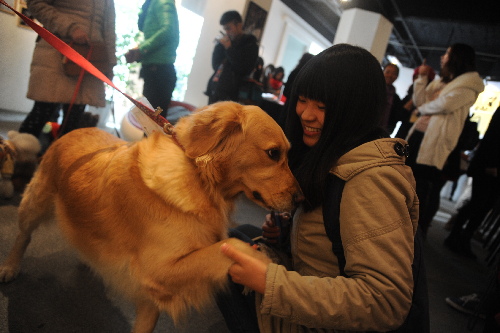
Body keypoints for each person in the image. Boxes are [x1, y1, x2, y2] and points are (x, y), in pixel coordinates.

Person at [217, 44, 425, 332]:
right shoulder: (336, 153)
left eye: (322, 107)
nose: (306, 114)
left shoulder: (372, 181)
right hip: (311, 290)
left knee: (221, 257)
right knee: (240, 237)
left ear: (354, 111)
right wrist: (287, 234)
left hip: (320, 323)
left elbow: (385, 301)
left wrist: (269, 280)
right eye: (302, 100)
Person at [405, 43, 485, 235]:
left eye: (447, 54)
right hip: (419, 135)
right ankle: (399, 223)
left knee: (422, 186)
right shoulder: (443, 81)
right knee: (407, 179)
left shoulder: (468, 86)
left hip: (435, 141)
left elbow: (445, 104)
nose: (443, 57)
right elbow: (421, 101)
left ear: (457, 57)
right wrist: (422, 77)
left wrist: (422, 109)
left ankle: (416, 231)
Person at [19, 0, 116, 138]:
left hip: (90, 58)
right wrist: (71, 28)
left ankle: (60, 158)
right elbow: (36, 3)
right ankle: (16, 157)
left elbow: (109, 29)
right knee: (41, 114)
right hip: (57, 52)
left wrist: (110, 64)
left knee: (73, 125)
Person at [444, 106, 500, 258]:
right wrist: (490, 165)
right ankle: (456, 235)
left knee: (483, 205)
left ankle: (464, 237)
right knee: (477, 202)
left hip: (490, 166)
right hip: (488, 166)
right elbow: (492, 139)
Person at [125, 0, 179, 118]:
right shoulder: (155, 3)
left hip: (159, 71)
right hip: (156, 70)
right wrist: (141, 50)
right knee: (151, 120)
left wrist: (142, 49)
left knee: (153, 122)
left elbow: (168, 30)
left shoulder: (162, 1)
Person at [205, 10, 259, 104]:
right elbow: (215, 65)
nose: (227, 32)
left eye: (229, 28)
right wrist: (219, 46)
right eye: (224, 29)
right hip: (215, 88)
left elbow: (244, 69)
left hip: (233, 93)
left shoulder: (250, 44)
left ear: (239, 25)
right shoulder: (225, 42)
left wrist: (229, 48)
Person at [380, 63, 406, 135]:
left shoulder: (396, 99)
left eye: (393, 74)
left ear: (396, 77)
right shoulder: (373, 89)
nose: (390, 76)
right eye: (387, 72)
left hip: (383, 134)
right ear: (382, 72)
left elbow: (397, 117)